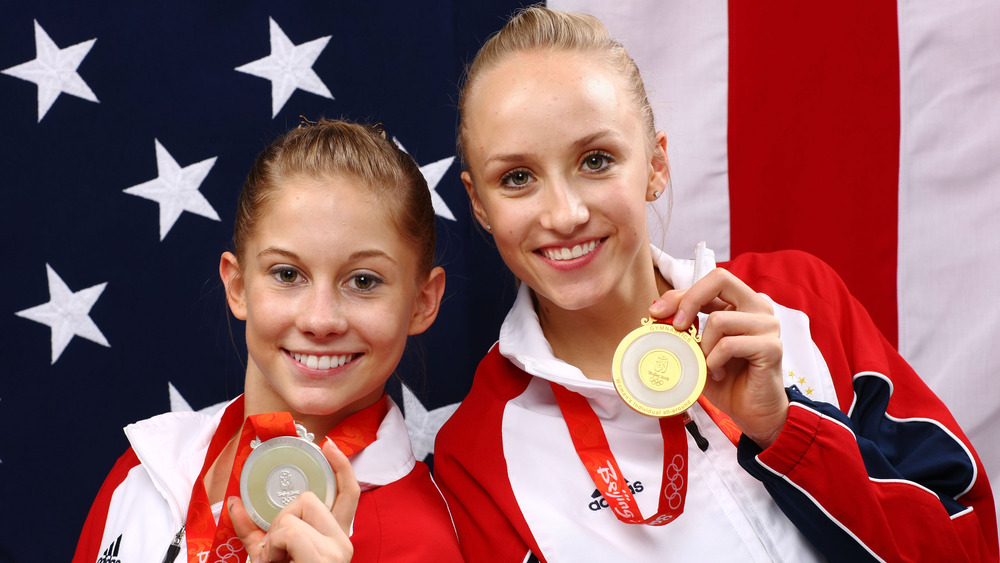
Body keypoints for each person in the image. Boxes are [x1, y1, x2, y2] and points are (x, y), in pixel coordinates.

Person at [434, 6, 999, 562]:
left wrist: (785, 428)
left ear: (656, 166)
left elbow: (970, 545)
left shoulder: (800, 298)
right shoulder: (476, 455)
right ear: (479, 204)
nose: (563, 214)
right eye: (517, 178)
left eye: (596, 160)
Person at [74, 119, 463, 562]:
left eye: (363, 280)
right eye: (287, 274)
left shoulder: (420, 543)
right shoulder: (144, 469)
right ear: (238, 286)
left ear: (422, 302)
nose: (321, 320)